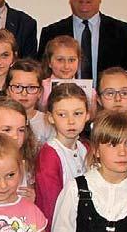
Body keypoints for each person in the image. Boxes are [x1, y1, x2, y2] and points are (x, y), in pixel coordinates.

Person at [37, 0, 127, 81]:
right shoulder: (51, 33)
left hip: (109, 97)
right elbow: (41, 76)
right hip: (63, 97)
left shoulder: (123, 32)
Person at [34, 82, 90, 224]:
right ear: (51, 117)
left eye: (77, 114)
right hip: (59, 228)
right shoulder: (50, 155)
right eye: (62, 115)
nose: (71, 121)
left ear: (87, 115)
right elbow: (51, 204)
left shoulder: (86, 148)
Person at [4, 58, 53, 145]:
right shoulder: (0, 119)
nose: (24, 93)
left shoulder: (47, 122)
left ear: (40, 92)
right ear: (7, 90)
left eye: (31, 88)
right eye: (18, 87)